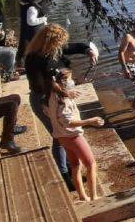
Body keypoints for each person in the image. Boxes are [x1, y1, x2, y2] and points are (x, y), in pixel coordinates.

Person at [24, 24, 99, 180]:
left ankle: (72, 171)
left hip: (58, 99)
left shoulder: (53, 51)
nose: (61, 46)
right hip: (43, 101)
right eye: (59, 42)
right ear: (50, 41)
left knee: (63, 135)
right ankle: (65, 175)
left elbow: (75, 46)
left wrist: (89, 50)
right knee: (59, 136)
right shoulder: (34, 58)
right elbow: (42, 84)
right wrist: (64, 92)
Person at [48, 68, 105, 201]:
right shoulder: (64, 101)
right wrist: (90, 121)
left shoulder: (53, 94)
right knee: (91, 164)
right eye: (70, 79)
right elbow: (68, 122)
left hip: (61, 137)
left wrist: (68, 93)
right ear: (64, 82)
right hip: (72, 136)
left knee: (75, 165)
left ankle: (82, 196)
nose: (73, 81)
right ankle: (93, 196)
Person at [18, 0, 47, 64]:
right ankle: (34, 65)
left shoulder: (25, 4)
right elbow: (31, 21)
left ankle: (26, 63)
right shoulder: (32, 7)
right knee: (37, 50)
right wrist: (43, 19)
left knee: (31, 50)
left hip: (29, 32)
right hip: (35, 33)